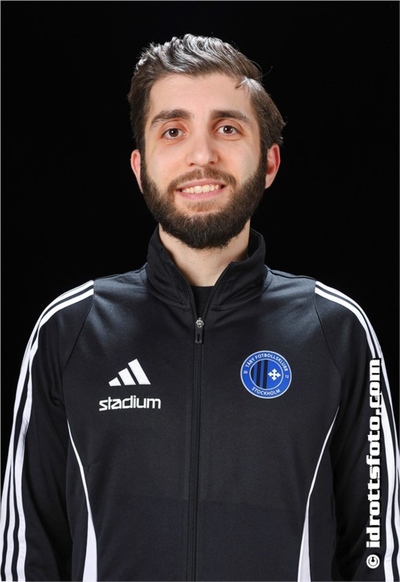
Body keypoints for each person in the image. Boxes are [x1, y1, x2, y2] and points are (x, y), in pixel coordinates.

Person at [1, 33, 399, 582]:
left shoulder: (335, 332)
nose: (202, 155)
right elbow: (29, 553)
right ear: (140, 167)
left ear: (269, 163)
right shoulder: (70, 332)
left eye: (228, 128)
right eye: (173, 130)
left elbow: (375, 551)